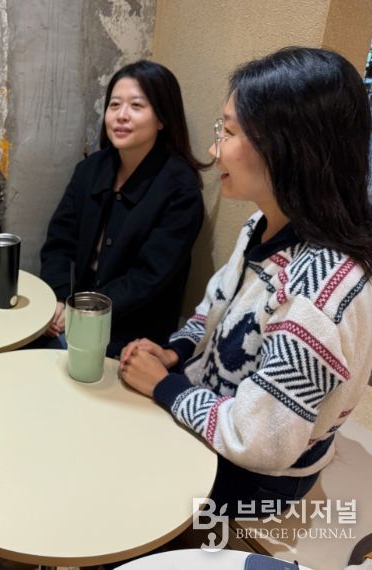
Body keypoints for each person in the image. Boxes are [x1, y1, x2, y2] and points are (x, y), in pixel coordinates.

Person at [120, 47, 372, 515]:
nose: (214, 149)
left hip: (257, 479)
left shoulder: (318, 294)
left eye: (230, 132)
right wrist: (175, 352)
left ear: (287, 148)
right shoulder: (262, 224)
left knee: (116, 485)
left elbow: (260, 441)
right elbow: (213, 309)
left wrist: (164, 387)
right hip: (212, 414)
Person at [39, 60, 206, 357]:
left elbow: (148, 278)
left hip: (131, 334)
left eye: (136, 106)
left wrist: (83, 312)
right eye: (114, 105)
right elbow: (59, 243)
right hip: (72, 313)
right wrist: (61, 298)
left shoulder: (180, 188)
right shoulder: (91, 169)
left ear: (162, 119)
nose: (121, 115)